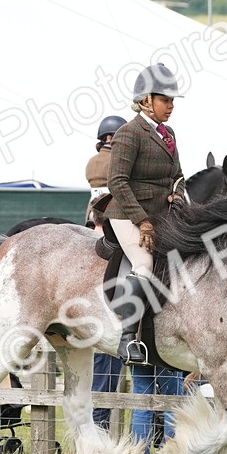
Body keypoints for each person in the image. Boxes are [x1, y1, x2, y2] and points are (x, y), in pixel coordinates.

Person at [106, 62, 185, 365]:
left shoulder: (169, 134)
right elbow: (117, 181)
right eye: (166, 100)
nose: (171, 106)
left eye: (172, 101)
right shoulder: (129, 133)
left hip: (162, 215)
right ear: (146, 100)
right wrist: (142, 221)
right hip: (127, 213)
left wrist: (177, 194)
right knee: (144, 262)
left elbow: (178, 174)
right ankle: (128, 340)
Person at [84, 114, 128, 431]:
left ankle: (99, 422)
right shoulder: (109, 163)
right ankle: (99, 422)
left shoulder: (95, 162)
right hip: (110, 237)